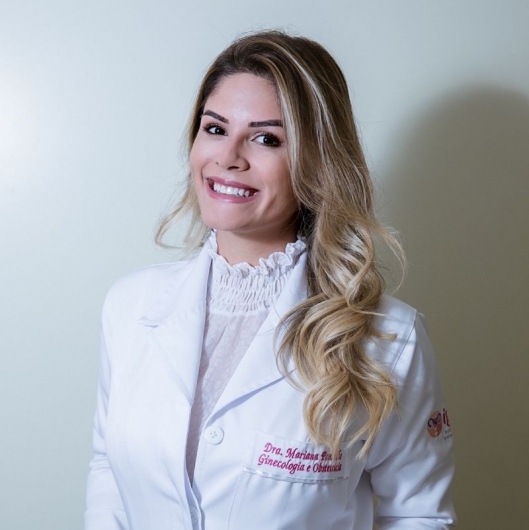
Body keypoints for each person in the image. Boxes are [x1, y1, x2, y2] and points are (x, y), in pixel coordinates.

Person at [85, 30, 456, 529]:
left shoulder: (390, 340)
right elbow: (109, 468)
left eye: (266, 139)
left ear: (317, 161)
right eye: (215, 128)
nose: (229, 157)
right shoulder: (130, 306)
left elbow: (418, 515)